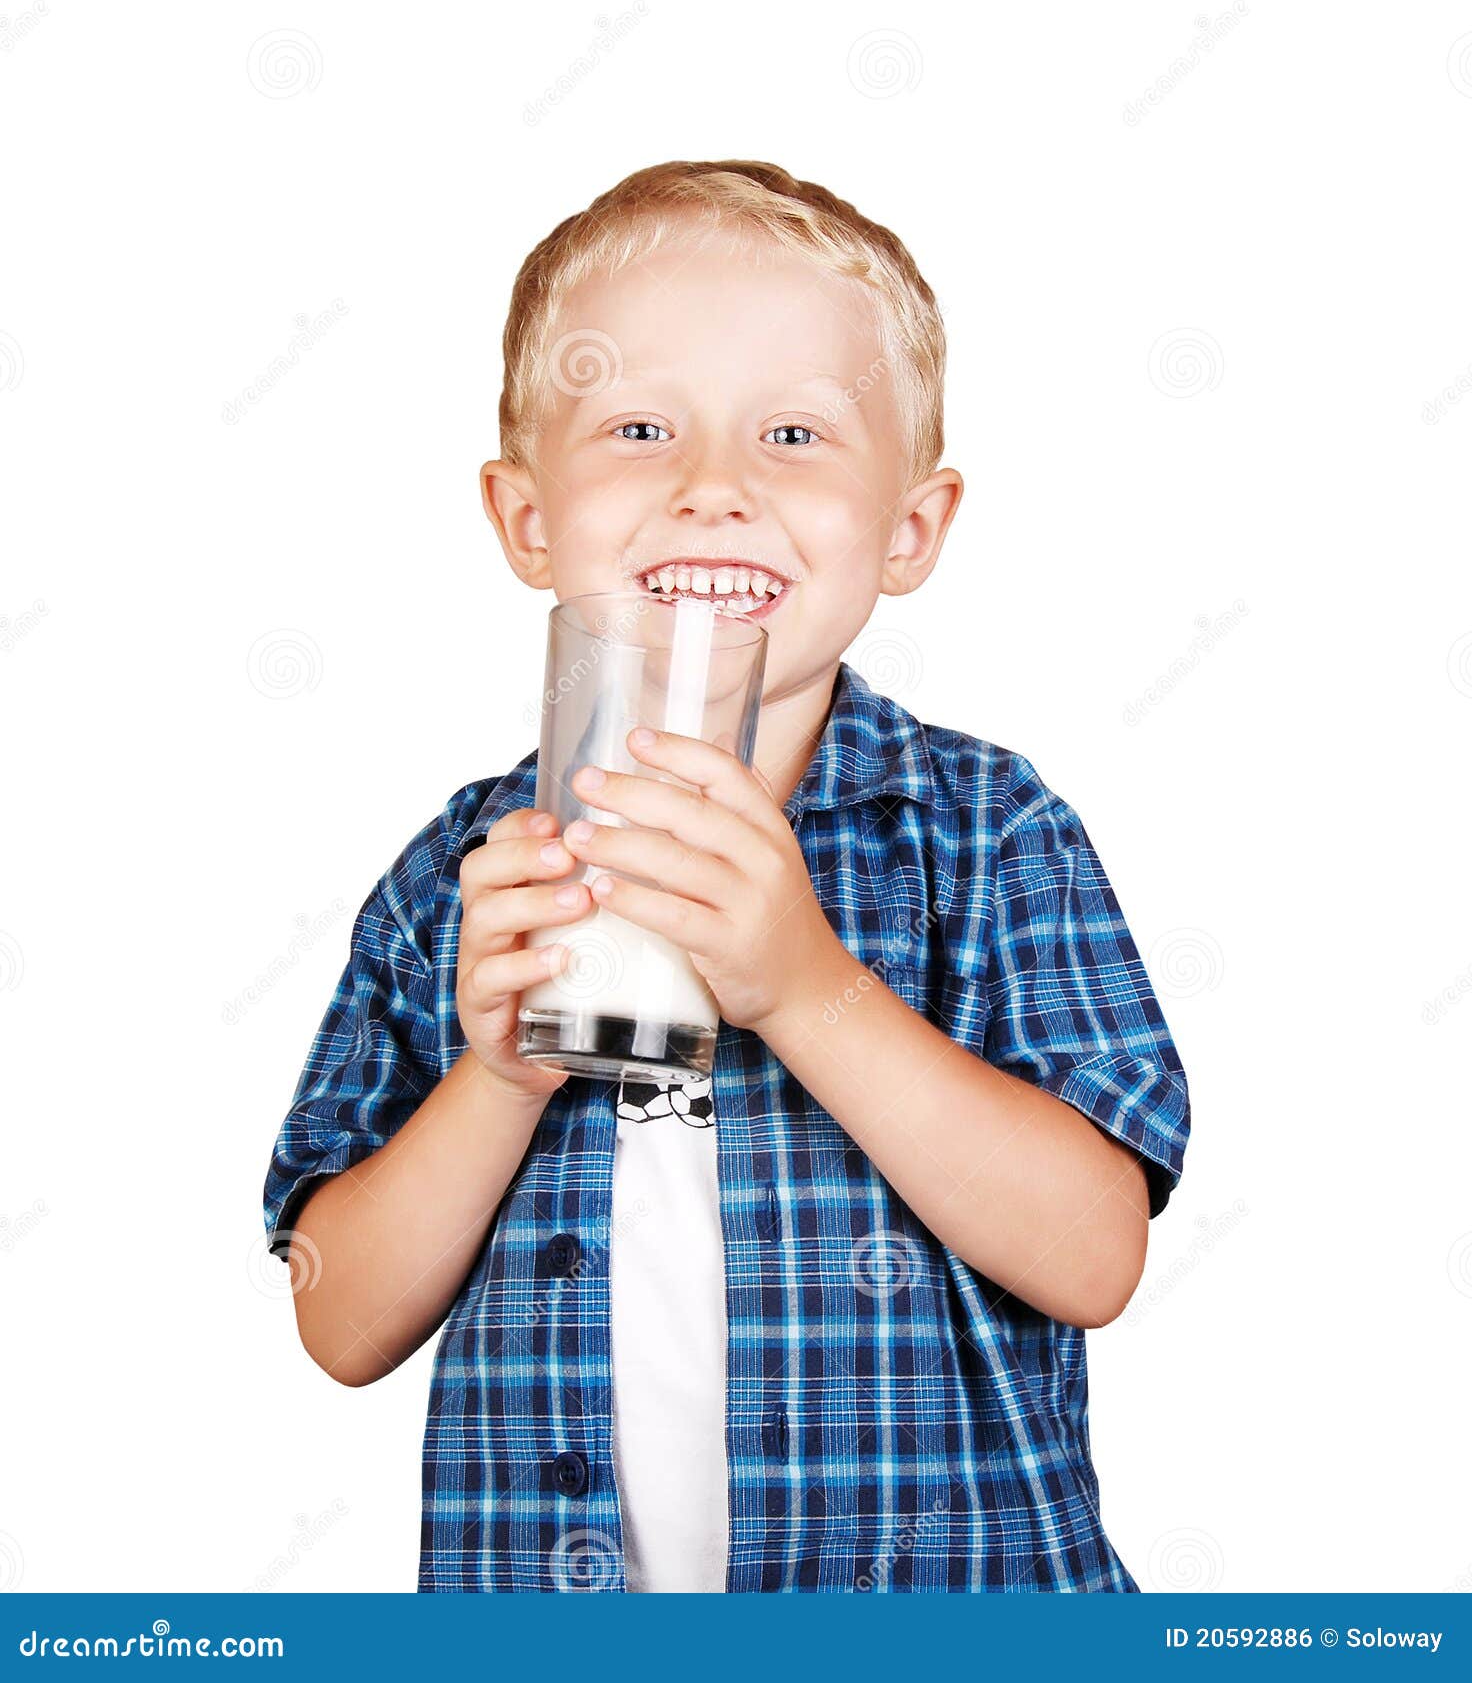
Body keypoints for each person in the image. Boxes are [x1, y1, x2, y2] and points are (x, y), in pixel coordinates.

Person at [262, 159, 1191, 1593]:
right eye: (639, 426)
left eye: (794, 434)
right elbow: (341, 1323)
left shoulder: (991, 832)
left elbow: (1094, 1256)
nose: (713, 487)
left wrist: (811, 989)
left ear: (909, 530)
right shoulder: (460, 876)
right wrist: (495, 1078)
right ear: (525, 519)